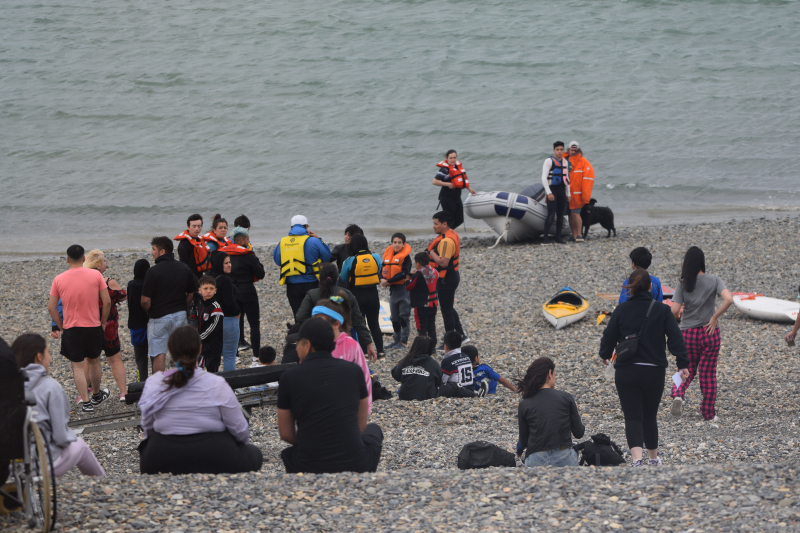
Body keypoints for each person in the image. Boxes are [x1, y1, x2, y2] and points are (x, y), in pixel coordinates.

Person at [138, 326, 262, 475]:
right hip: (213, 454)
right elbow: (240, 430)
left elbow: (148, 427)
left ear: (170, 352)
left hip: (164, 455)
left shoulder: (154, 382)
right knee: (254, 453)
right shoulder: (216, 383)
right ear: (200, 349)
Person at [599, 269, 689, 466]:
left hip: (627, 370)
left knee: (632, 417)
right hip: (653, 370)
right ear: (650, 287)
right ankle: (653, 459)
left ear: (630, 289)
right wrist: (682, 363)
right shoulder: (662, 310)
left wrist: (605, 354)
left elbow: (608, 337)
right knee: (649, 416)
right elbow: (676, 338)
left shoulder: (621, 310)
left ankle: (637, 460)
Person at [277, 318, 383, 474]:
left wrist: (314, 441)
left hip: (307, 464)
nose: (296, 348)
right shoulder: (354, 371)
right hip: (355, 463)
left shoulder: (289, 377)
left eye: (298, 343)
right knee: (374, 429)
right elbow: (361, 425)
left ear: (307, 345)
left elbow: (286, 433)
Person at [13, 334, 105, 477]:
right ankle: (103, 483)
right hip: (42, 465)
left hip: (13, 466)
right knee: (78, 445)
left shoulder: (7, 387)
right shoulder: (50, 387)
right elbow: (61, 436)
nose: (49, 358)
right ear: (39, 356)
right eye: (48, 352)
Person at [669, 246, 733, 424]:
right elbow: (729, 299)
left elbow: (674, 310)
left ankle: (678, 394)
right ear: (702, 262)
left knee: (684, 369)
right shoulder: (714, 280)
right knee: (708, 374)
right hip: (709, 332)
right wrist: (714, 317)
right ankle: (708, 414)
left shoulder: (683, 283)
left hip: (688, 333)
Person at [48, 245, 111, 413]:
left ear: (67, 259)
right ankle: (96, 394)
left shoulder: (59, 279)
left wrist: (61, 326)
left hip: (72, 327)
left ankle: (86, 401)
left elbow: (51, 307)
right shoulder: (96, 275)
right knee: (94, 361)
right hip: (92, 325)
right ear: (84, 259)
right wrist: (103, 321)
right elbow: (107, 302)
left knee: (77, 366)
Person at [295, 263, 377, 360]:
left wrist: (312, 329)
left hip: (317, 339)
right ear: (337, 279)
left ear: (320, 278)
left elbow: (300, 317)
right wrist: (369, 344)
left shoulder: (312, 294)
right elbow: (358, 321)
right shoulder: (347, 294)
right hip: (341, 339)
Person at [141, 236, 198, 374]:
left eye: (153, 249)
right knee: (182, 351)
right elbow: (191, 293)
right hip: (179, 314)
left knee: (159, 353)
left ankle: (160, 387)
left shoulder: (153, 272)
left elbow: (145, 300)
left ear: (162, 251)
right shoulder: (184, 268)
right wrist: (182, 305)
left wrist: (150, 310)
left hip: (159, 316)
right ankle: (185, 381)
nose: (151, 252)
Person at [517, 357, 585, 467]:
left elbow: (523, 441)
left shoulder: (524, 403)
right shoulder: (566, 398)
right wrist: (576, 411)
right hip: (564, 456)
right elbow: (579, 432)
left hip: (536, 458)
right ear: (550, 373)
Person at [312, 297, 373, 413]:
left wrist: (366, 408)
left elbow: (364, 377)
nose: (315, 324)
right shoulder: (311, 345)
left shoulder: (351, 345)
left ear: (336, 324)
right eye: (313, 320)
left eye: (320, 320)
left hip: (348, 406)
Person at [83, 250, 128, 401]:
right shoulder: (108, 282)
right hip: (109, 325)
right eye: (104, 261)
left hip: (89, 325)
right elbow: (122, 295)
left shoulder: (84, 282)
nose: (106, 263)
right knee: (115, 359)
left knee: (89, 360)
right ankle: (123, 392)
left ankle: (85, 394)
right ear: (98, 265)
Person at [273, 215, 332, 317]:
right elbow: (327, 257)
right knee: (315, 316)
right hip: (312, 284)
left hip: (292, 287)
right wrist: (319, 239)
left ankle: (300, 332)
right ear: (306, 227)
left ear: (291, 228)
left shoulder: (282, 242)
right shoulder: (314, 241)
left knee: (299, 317)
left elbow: (278, 261)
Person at [220, 227, 265, 359]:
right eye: (247, 239)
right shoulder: (247, 255)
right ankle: (256, 356)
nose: (248, 241)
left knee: (235, 323)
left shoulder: (224, 255)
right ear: (241, 240)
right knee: (254, 324)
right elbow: (260, 274)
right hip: (248, 291)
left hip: (231, 292)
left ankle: (235, 355)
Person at [340, 233, 385, 357]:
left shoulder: (349, 260)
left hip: (357, 295)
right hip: (372, 294)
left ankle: (365, 352)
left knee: (360, 324)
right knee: (374, 323)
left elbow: (343, 277)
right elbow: (378, 270)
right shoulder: (375, 257)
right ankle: (380, 351)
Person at [428, 211, 468, 345]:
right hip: (451, 276)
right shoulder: (452, 233)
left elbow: (443, 262)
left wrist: (431, 252)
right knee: (448, 307)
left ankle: (450, 343)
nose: (433, 226)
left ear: (444, 224)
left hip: (447, 279)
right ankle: (461, 335)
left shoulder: (446, 241)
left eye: (436, 223)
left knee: (446, 311)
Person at [210, 252, 241, 372]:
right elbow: (230, 302)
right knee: (229, 356)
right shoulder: (225, 280)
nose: (229, 265)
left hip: (213, 321)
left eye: (230, 262)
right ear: (219, 264)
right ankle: (230, 386)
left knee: (214, 357)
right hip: (228, 320)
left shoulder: (209, 278)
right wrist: (238, 312)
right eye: (226, 263)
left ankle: (215, 386)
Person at [381, 232, 412, 350]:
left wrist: (389, 280)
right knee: (394, 317)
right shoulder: (388, 254)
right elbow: (382, 268)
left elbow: (404, 273)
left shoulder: (406, 258)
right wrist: (382, 279)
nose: (397, 245)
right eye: (395, 242)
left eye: (399, 242)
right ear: (391, 243)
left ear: (404, 244)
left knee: (404, 316)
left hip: (403, 289)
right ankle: (396, 340)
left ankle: (404, 342)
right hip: (393, 290)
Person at [432, 149, 477, 230]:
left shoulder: (458, 168)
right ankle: (447, 236)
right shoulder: (444, 170)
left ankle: (447, 233)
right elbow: (434, 181)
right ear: (447, 158)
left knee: (460, 220)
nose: (453, 160)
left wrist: (470, 189)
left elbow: (462, 181)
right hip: (447, 198)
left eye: (454, 158)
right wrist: (448, 184)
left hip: (456, 197)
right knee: (450, 220)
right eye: (451, 158)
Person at [391, 337, 442, 401]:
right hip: (427, 396)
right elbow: (439, 382)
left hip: (405, 396)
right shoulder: (434, 364)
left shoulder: (405, 361)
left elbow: (396, 375)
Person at [406, 252, 438, 350]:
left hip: (422, 304)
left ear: (418, 264)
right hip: (433, 303)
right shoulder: (434, 271)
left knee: (421, 326)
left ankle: (423, 348)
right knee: (431, 325)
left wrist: (408, 278)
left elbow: (409, 286)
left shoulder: (419, 274)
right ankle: (432, 347)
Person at [541, 141, 571, 245]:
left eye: (561, 149)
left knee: (560, 215)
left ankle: (558, 238)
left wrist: (569, 193)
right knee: (551, 215)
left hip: (562, 190)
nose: (559, 151)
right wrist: (549, 193)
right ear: (554, 150)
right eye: (557, 149)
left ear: (563, 150)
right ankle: (545, 240)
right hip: (552, 189)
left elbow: (566, 178)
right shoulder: (549, 161)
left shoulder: (565, 161)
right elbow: (544, 178)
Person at [565, 141, 595, 243]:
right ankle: (573, 235)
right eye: (572, 150)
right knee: (570, 214)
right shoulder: (564, 161)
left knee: (576, 214)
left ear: (579, 150)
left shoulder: (584, 162)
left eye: (576, 150)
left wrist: (586, 196)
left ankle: (579, 235)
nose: (574, 152)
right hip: (567, 194)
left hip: (577, 195)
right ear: (568, 150)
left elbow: (588, 180)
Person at [127, 259, 151, 382]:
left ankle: (141, 382)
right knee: (154, 355)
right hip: (150, 323)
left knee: (141, 359)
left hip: (136, 325)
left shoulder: (131, 285)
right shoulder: (149, 284)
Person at [197, 275, 224, 373]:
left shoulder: (216, 308)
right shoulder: (199, 305)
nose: (208, 291)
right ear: (199, 290)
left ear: (215, 290)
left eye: (211, 288)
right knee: (197, 372)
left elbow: (213, 328)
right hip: (201, 347)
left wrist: (198, 337)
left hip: (213, 348)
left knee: (213, 374)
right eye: (205, 288)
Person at [439, 331, 476, 398]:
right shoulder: (466, 356)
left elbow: (443, 381)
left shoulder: (447, 361)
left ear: (445, 346)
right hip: (471, 388)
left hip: (457, 392)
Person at [175, 213, 212, 278]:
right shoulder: (184, 244)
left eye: (199, 226)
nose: (197, 229)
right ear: (188, 227)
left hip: (200, 275)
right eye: (194, 226)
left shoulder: (200, 240)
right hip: (189, 276)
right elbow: (183, 265)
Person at [330, 224, 363, 290]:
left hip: (359, 285)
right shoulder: (340, 249)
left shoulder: (363, 252)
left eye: (349, 235)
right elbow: (327, 259)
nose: (346, 237)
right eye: (346, 234)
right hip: (343, 285)